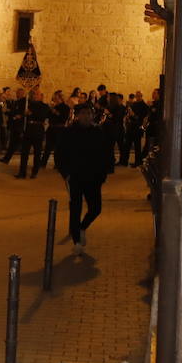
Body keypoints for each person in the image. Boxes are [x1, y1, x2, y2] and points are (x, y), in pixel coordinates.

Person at [54, 104, 114, 255]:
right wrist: (65, 173)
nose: (86, 116)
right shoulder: (69, 132)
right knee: (76, 209)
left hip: (93, 177)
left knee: (95, 208)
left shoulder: (98, 132)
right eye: (83, 113)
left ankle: (82, 228)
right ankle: (77, 242)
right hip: (75, 176)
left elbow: (106, 153)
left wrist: (104, 173)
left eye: (89, 113)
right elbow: (60, 153)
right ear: (77, 115)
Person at [17, 89, 50, 178]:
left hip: (38, 130)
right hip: (28, 130)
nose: (35, 96)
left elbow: (43, 116)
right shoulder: (28, 104)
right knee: (24, 153)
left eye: (37, 94)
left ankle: (34, 171)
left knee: (37, 153)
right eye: (34, 94)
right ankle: (22, 172)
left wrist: (32, 112)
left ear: (41, 96)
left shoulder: (44, 106)